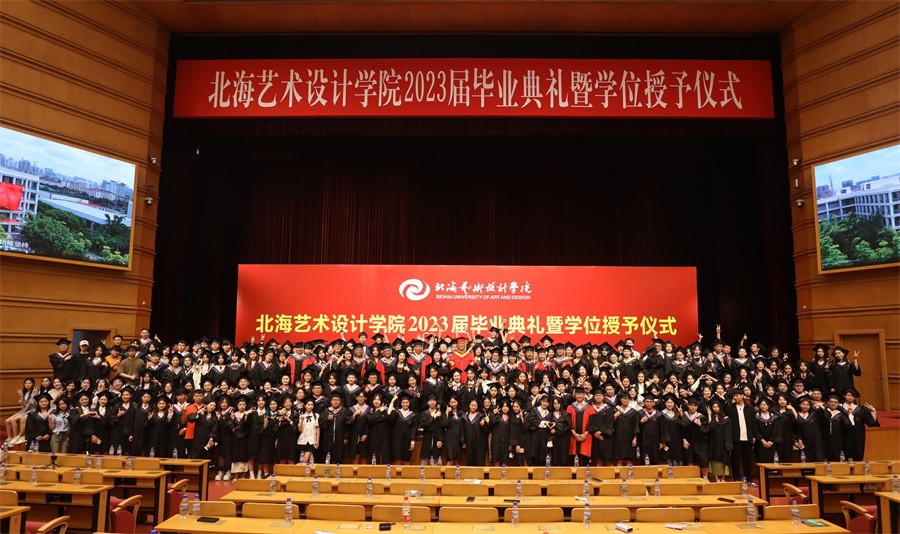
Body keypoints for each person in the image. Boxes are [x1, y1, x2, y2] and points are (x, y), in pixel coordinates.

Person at [726, 388, 756, 482]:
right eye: (734, 396)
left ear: (742, 396)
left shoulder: (749, 408)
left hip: (747, 437)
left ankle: (748, 478)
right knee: (735, 460)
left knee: (747, 460)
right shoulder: (730, 408)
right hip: (735, 438)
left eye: (737, 395)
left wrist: (753, 436)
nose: (735, 397)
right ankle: (736, 478)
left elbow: (753, 423)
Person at [840, 388, 878, 461]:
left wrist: (873, 412)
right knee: (843, 456)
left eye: (852, 396)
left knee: (858, 455)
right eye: (848, 395)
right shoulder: (840, 408)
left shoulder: (860, 409)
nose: (850, 397)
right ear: (844, 396)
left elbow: (871, 423)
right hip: (843, 435)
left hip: (858, 436)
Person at [388, 391, 419, 465]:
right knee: (397, 458)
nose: (405, 404)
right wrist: (392, 402)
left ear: (409, 403)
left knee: (406, 459)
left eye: (406, 402)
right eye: (403, 402)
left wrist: (413, 440)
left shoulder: (413, 415)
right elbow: (389, 418)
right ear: (401, 403)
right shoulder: (396, 413)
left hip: (407, 440)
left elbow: (414, 428)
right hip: (397, 440)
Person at [5, 377, 36, 445]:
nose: (27, 384)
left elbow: (29, 404)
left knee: (13, 420)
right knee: (7, 421)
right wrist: (21, 396)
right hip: (23, 409)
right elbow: (22, 404)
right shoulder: (24, 392)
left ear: (33, 384)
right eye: (26, 383)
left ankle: (16, 437)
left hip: (31, 410)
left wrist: (22, 412)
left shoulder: (34, 392)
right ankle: (9, 438)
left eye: (29, 383)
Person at [297, 397, 320, 466]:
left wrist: (317, 440)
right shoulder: (302, 415)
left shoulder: (316, 415)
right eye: (308, 405)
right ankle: (304, 472)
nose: (310, 406)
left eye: (312, 405)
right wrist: (301, 421)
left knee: (305, 460)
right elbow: (300, 430)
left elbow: (318, 428)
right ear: (305, 406)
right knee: (302, 461)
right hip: (302, 440)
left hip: (312, 440)